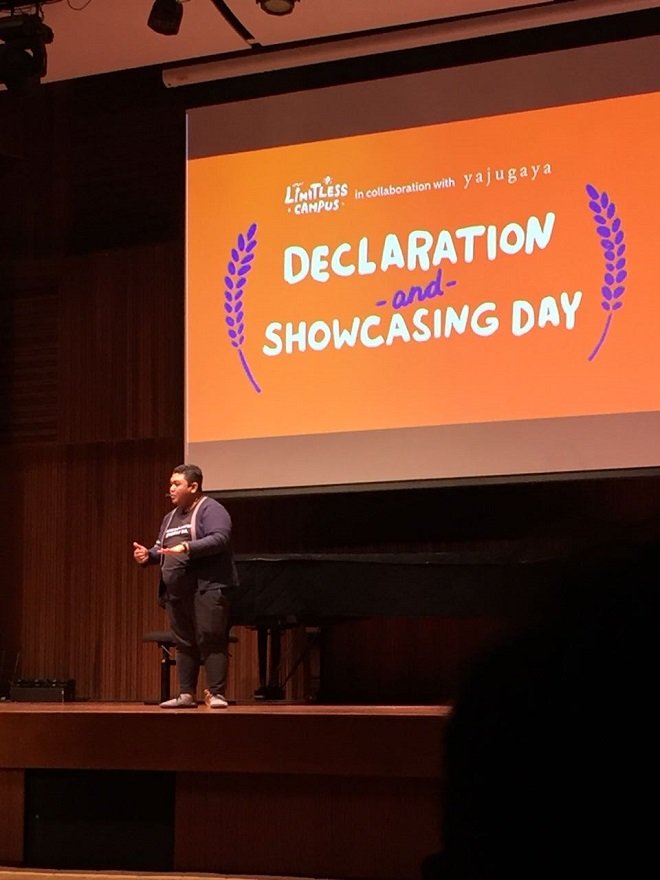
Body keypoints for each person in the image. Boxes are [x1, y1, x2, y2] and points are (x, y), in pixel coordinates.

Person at [133, 464, 237, 709]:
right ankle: (186, 694)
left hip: (207, 587)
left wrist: (187, 547)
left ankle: (216, 694)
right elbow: (162, 548)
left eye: (176, 484)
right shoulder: (169, 518)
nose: (171, 488)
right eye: (170, 484)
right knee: (184, 642)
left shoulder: (211, 509)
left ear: (193, 486)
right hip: (177, 592)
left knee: (210, 638)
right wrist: (148, 555)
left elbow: (220, 538)